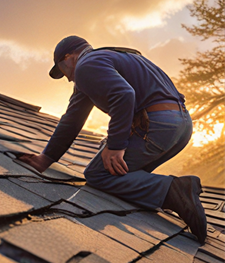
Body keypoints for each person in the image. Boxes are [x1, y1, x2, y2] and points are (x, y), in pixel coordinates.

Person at [17, 35, 207, 244]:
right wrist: (47, 158)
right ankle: (172, 195)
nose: (68, 79)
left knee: (98, 174)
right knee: (124, 174)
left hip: (158, 126)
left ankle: (176, 190)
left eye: (62, 70)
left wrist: (116, 145)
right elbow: (72, 119)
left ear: (69, 57)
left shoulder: (86, 65)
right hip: (182, 127)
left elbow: (124, 95)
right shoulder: (113, 58)